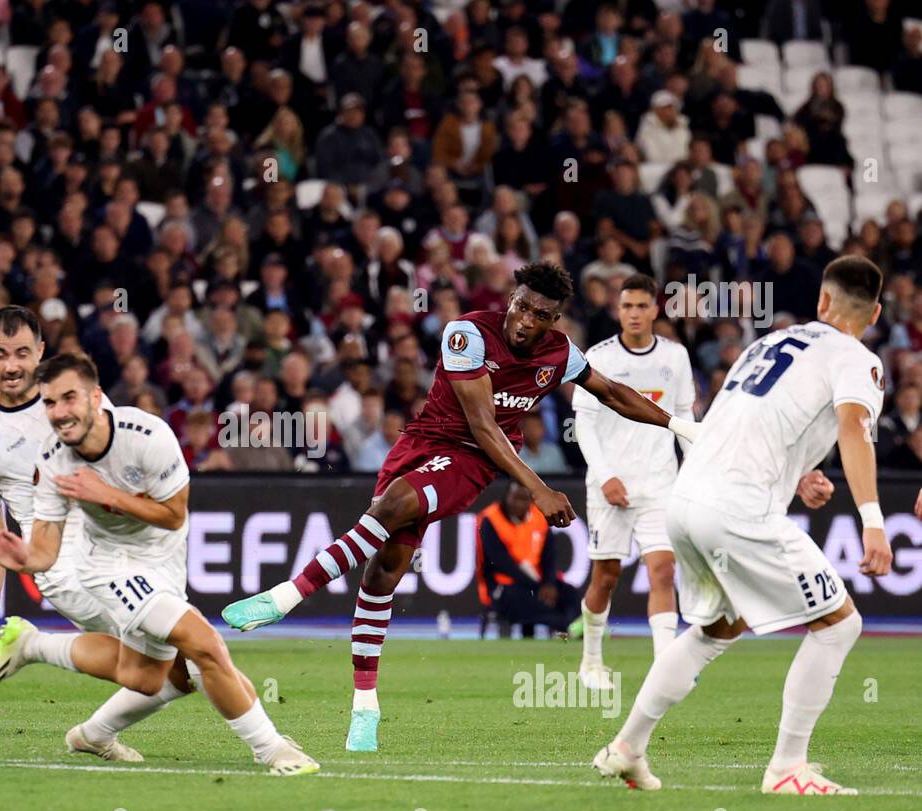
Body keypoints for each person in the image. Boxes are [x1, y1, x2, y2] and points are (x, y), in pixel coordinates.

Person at [222, 261, 702, 752]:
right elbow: (482, 422)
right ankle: (366, 707)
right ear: (510, 299)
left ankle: (286, 596)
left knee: (391, 510)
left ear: (553, 320)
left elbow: (615, 394)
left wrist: (686, 429)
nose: (523, 319)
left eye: (539, 314)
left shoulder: (560, 355)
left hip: (471, 464)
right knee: (382, 573)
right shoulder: (467, 333)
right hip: (424, 445)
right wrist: (539, 487)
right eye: (519, 305)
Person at [594, 256, 894, 795]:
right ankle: (786, 768)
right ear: (872, 313)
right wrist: (872, 520)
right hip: (737, 508)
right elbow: (854, 427)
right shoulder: (858, 359)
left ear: (822, 301)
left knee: (717, 628)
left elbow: (740, 424)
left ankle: (627, 748)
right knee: (840, 624)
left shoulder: (765, 344)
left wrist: (802, 473)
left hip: (685, 500)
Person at [0, 353, 319, 775]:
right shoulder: (52, 460)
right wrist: (22, 558)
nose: (59, 412)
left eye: (69, 398)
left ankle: (78, 713)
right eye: (49, 403)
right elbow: (45, 552)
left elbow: (175, 514)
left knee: (148, 677)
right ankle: (271, 750)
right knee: (204, 645)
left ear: (96, 397)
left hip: (165, 558)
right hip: (107, 567)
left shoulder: (147, 435)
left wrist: (107, 495)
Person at [570, 274, 697, 688]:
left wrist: (695, 473)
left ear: (656, 310)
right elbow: (584, 425)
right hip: (610, 487)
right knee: (605, 577)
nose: (635, 314)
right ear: (617, 310)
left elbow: (684, 420)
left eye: (642, 306)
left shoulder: (676, 357)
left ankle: (665, 668)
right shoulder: (598, 357)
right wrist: (605, 476)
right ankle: (591, 662)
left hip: (661, 484)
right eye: (627, 306)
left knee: (663, 570)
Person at [476, 482, 581, 635]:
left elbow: (549, 557)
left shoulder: (539, 518)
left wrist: (549, 583)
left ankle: (576, 628)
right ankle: (568, 630)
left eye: (524, 499)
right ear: (506, 497)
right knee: (540, 606)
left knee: (569, 593)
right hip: (504, 584)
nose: (519, 504)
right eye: (515, 498)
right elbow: (501, 562)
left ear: (531, 501)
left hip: (536, 581)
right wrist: (538, 586)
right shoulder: (490, 520)